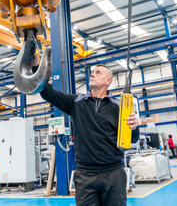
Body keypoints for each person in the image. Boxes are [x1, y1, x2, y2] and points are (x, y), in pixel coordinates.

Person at [39, 64, 140, 206]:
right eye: (92, 72)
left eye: (98, 73)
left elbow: (133, 138)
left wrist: (134, 127)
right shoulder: (76, 102)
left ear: (108, 80)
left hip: (113, 174)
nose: (92, 74)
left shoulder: (119, 106)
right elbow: (47, 93)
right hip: (85, 175)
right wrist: (36, 66)